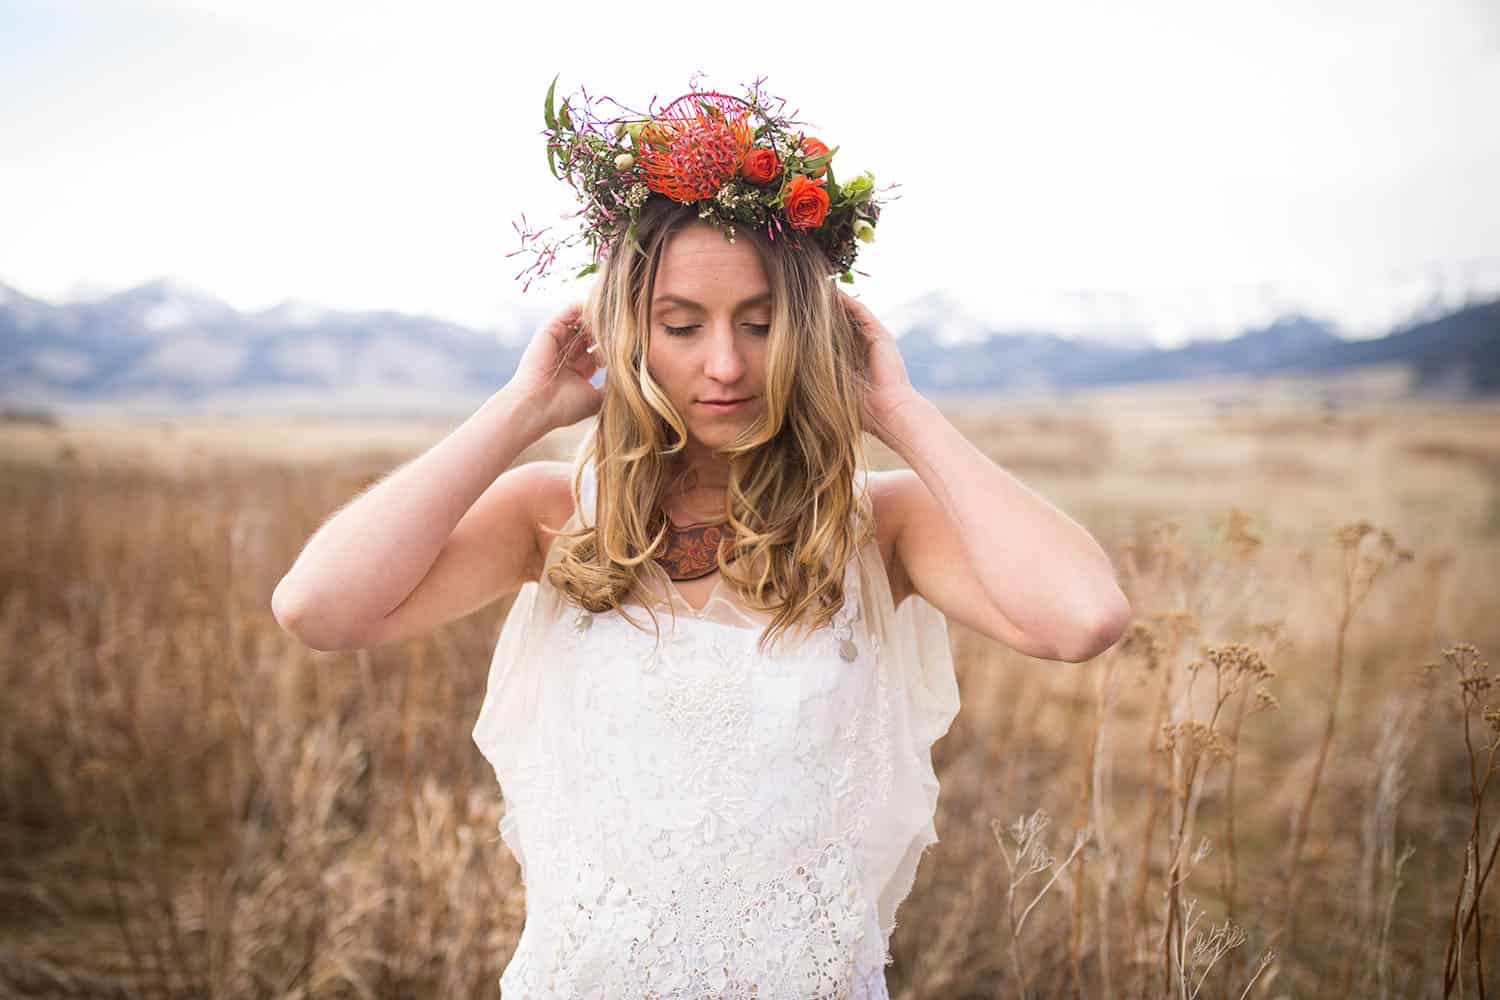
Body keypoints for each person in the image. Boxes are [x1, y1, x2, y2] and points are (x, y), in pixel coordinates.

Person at [273, 78, 1131, 998]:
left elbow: (1081, 619)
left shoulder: (880, 527)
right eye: (681, 325)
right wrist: (520, 407)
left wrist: (900, 412)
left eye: (761, 325)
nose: (725, 365)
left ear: (809, 332)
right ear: (628, 335)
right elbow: (318, 609)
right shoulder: (552, 518)